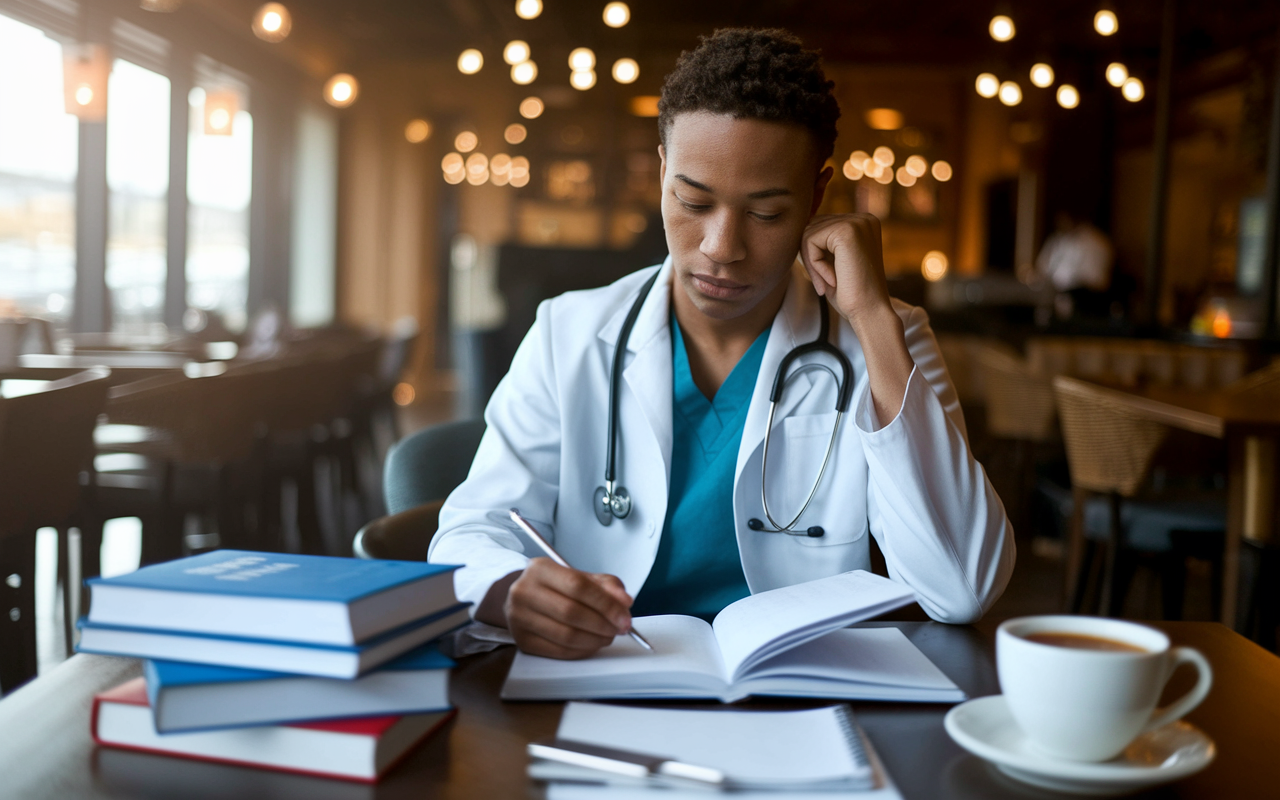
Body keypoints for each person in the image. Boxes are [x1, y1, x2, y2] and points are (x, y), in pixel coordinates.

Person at [428, 29, 1014, 659]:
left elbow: (963, 587)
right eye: (692, 201)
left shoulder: (885, 340)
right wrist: (512, 588)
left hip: (794, 696)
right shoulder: (565, 334)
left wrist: (871, 317)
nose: (720, 247)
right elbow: (470, 531)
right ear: (660, 173)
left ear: (818, 196)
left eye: (765, 214)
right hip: (608, 679)